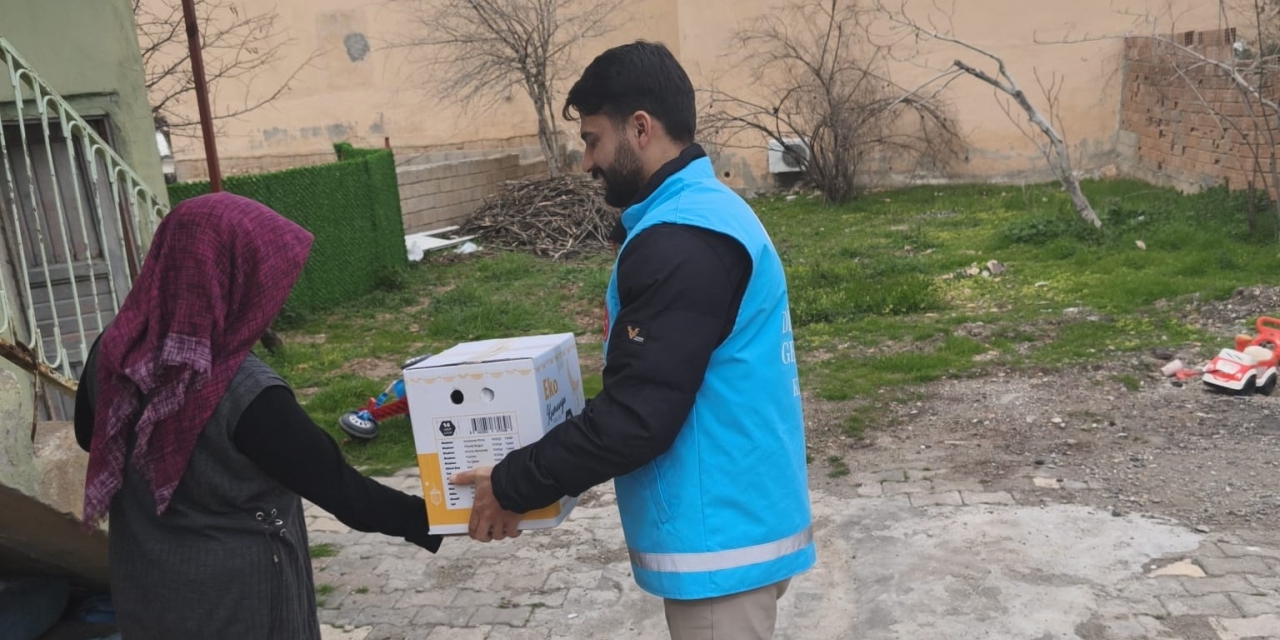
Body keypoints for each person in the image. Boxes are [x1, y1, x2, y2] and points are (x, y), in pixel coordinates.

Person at [452, 41, 815, 640]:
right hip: (734, 525)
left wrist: (513, 482)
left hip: (721, 545)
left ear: (640, 128)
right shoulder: (708, 211)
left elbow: (636, 417)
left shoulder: (682, 239)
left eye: (593, 140)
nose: (588, 162)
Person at [74, 192, 442, 640]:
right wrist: (442, 517)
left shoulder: (112, 351)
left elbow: (87, 437)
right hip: (239, 602)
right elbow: (341, 489)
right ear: (235, 278)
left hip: (147, 588)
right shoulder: (246, 392)